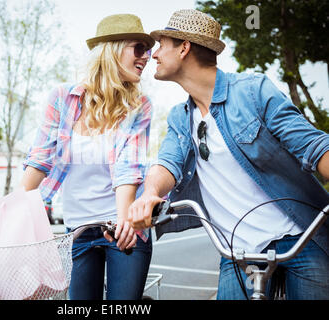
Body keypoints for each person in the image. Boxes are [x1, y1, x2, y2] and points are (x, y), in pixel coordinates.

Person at [128, 9, 329, 299]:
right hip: (237, 251)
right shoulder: (180, 117)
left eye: (162, 45)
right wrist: (149, 194)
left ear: (184, 48)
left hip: (301, 237)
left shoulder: (253, 92)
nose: (154, 54)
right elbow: (167, 163)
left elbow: (314, 146)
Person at [20, 14, 155, 300]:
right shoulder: (62, 98)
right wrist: (11, 215)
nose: (146, 57)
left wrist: (124, 223)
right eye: (139, 48)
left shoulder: (139, 105)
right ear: (112, 50)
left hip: (123, 226)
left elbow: (128, 167)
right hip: (77, 231)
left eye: (149, 49)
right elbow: (39, 160)